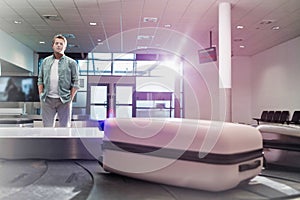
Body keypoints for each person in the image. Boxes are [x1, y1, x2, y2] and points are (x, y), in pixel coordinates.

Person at [38, 34, 79, 127]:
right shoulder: (45, 61)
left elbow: (76, 82)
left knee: (65, 128)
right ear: (53, 46)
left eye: (61, 44)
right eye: (57, 43)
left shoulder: (71, 63)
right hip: (47, 99)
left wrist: (70, 99)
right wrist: (41, 95)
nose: (59, 45)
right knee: (47, 128)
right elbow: (40, 79)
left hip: (64, 100)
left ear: (65, 47)